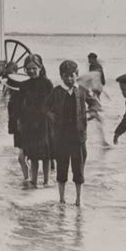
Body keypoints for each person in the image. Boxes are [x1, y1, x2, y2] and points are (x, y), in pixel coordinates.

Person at [45, 60, 100, 206]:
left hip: (78, 137)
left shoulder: (82, 90)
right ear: (61, 76)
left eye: (72, 75)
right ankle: (62, 199)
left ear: (77, 75)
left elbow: (95, 103)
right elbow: (45, 107)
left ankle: (78, 199)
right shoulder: (56, 91)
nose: (69, 79)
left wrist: (91, 113)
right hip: (61, 137)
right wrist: (50, 115)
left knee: (78, 169)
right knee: (61, 169)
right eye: (66, 76)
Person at [16, 54, 53, 187]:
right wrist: (19, 122)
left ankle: (47, 181)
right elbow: (19, 106)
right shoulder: (24, 85)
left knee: (46, 155)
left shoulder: (47, 83)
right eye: (28, 69)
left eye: (34, 68)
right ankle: (34, 181)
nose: (31, 71)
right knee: (33, 155)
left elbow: (52, 104)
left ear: (40, 67)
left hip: (44, 123)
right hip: (30, 123)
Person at [6, 61, 30, 183]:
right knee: (24, 156)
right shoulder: (16, 98)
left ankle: (27, 178)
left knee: (22, 157)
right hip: (19, 128)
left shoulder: (17, 99)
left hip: (22, 128)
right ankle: (28, 177)